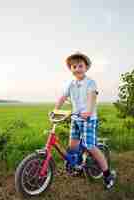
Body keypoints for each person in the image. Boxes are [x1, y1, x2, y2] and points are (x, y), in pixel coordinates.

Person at [54, 51, 116, 189]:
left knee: (90, 146)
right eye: (74, 66)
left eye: (80, 66)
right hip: (76, 118)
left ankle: (107, 174)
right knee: (72, 146)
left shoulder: (90, 82)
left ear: (86, 67)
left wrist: (88, 111)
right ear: (71, 69)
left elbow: (92, 97)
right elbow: (63, 97)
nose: (77, 69)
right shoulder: (71, 84)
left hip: (88, 119)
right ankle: (78, 167)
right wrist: (55, 110)